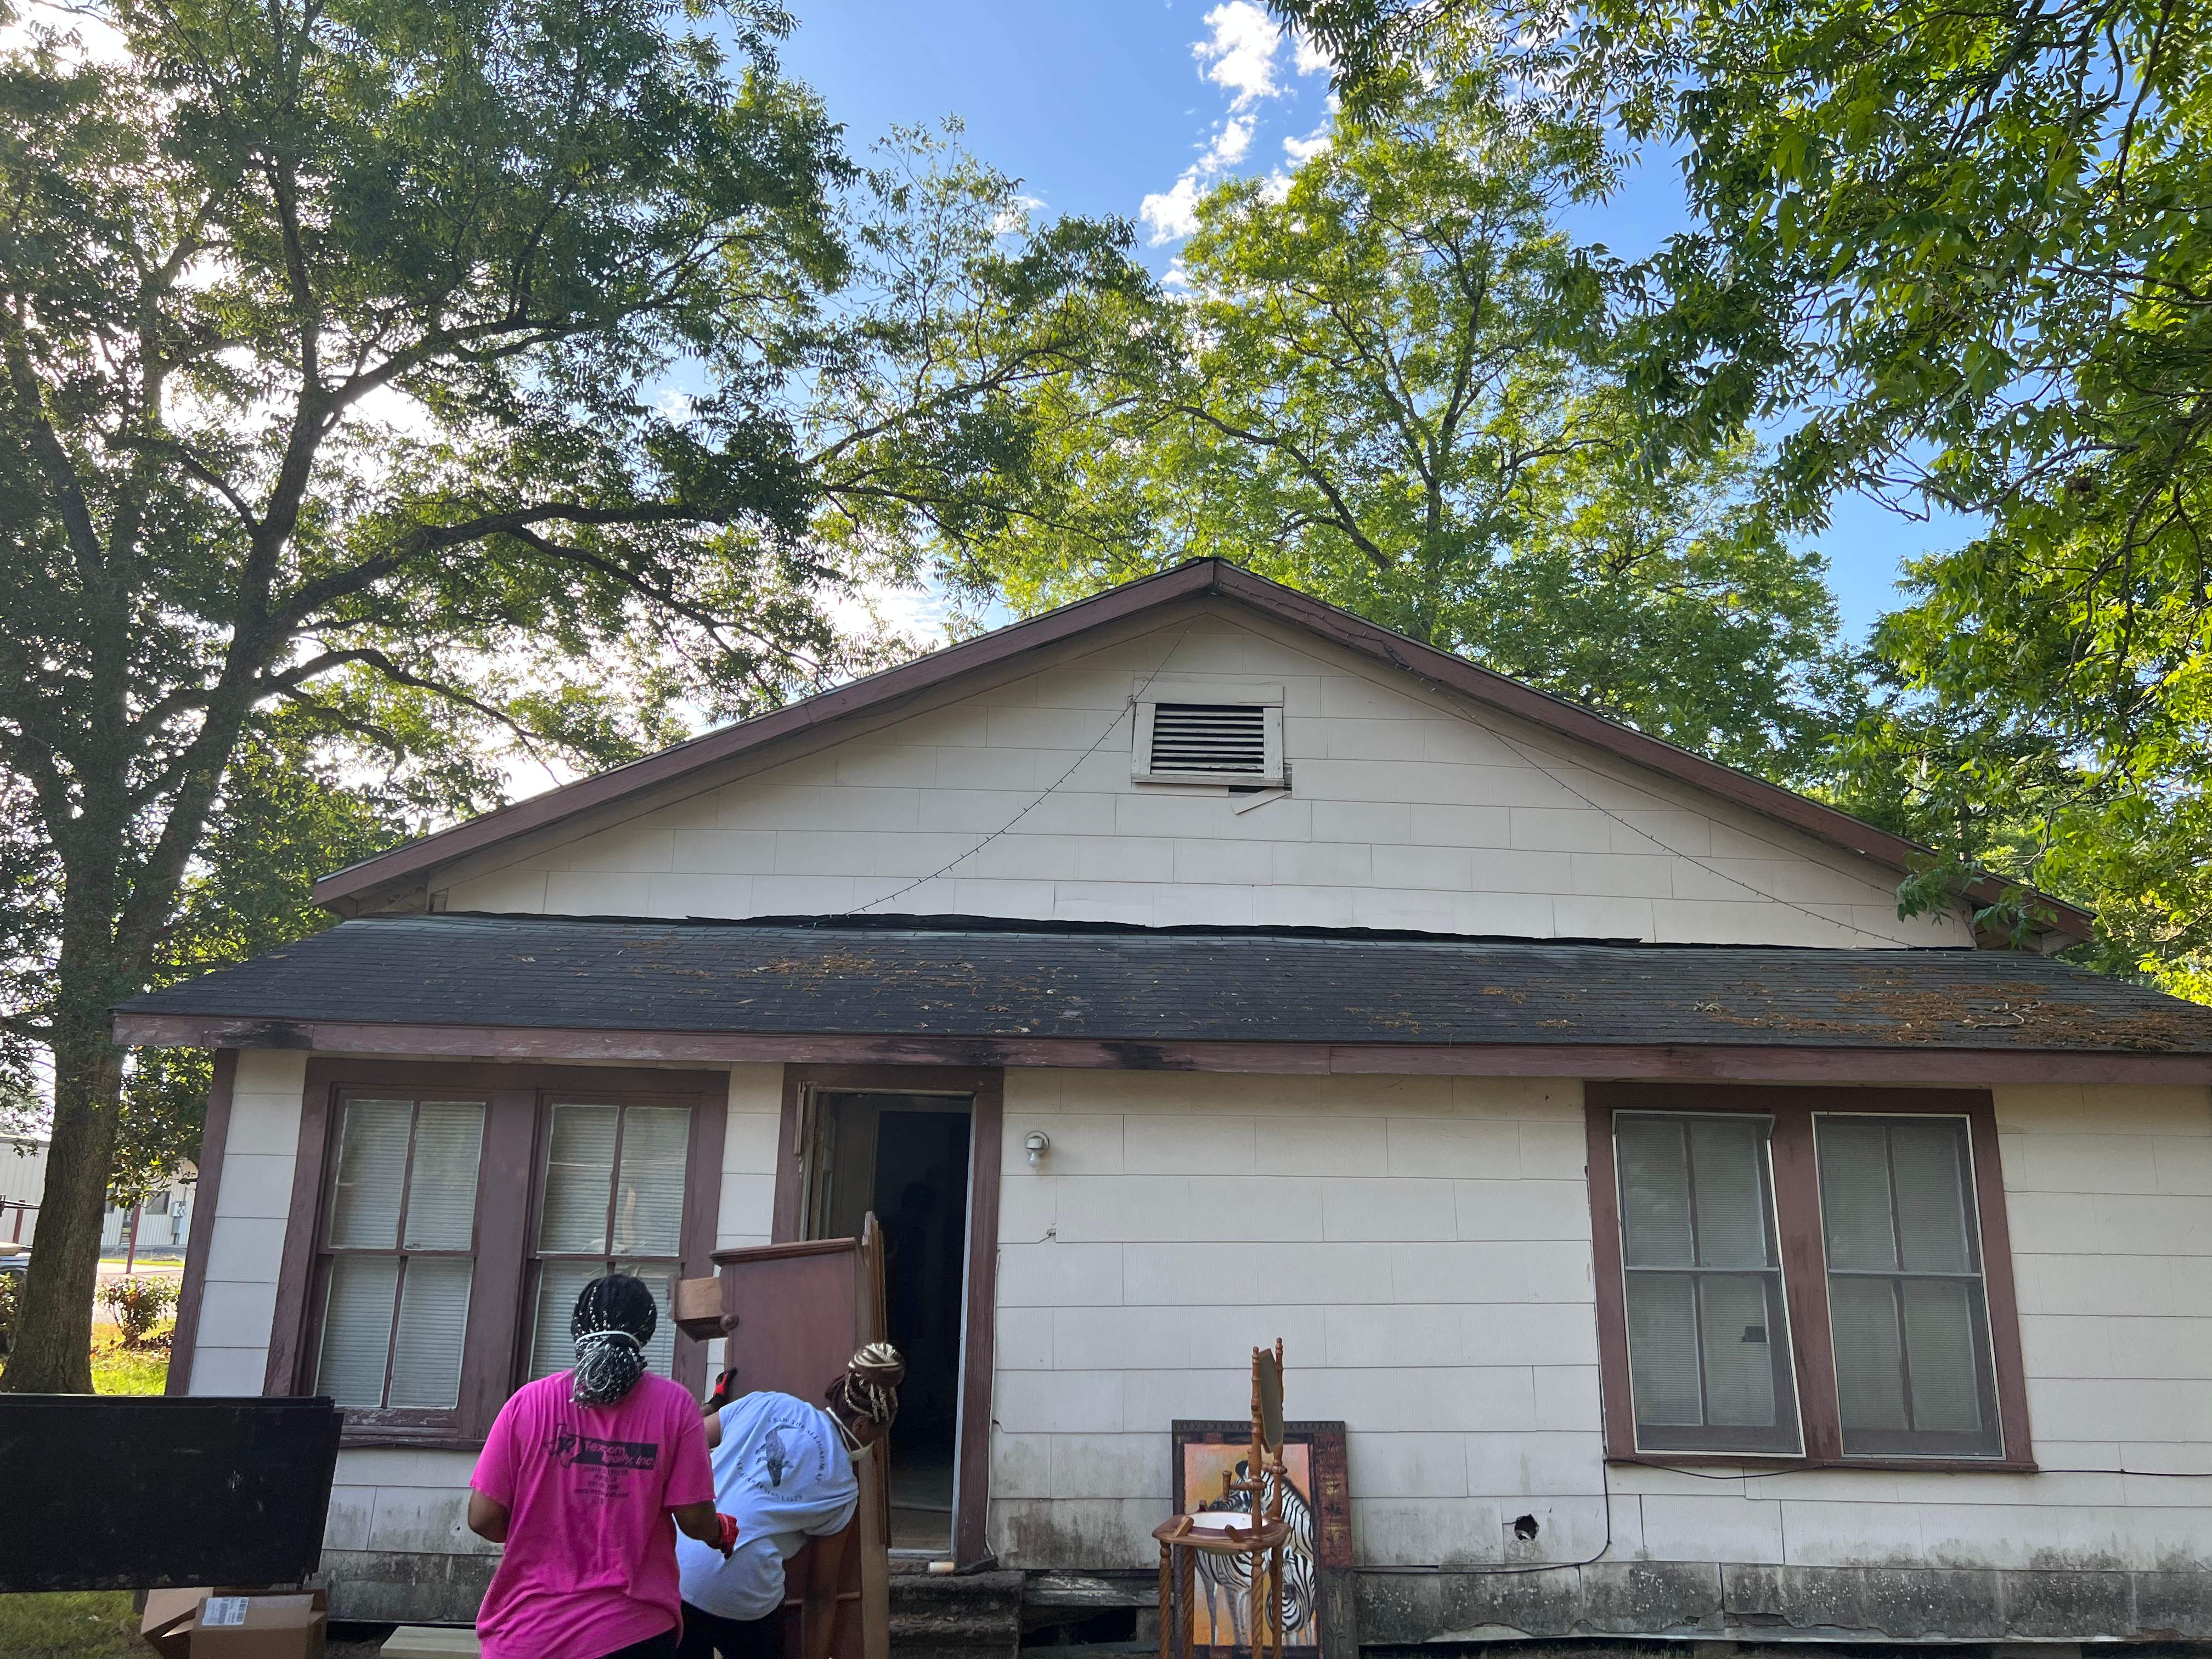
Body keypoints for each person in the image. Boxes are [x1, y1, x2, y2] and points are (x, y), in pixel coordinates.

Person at [467, 1276, 741, 1659]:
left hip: (528, 1634)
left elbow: (483, 1517)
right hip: (633, 1634)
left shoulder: (527, 1404)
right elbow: (694, 1520)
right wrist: (717, 1533)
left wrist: (542, 1535)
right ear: (645, 1333)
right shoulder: (676, 1408)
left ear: (578, 1328)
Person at [672, 1342, 905, 1659]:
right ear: (861, 1426)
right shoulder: (842, 1488)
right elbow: (821, 1594)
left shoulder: (768, 1403)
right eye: (876, 1438)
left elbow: (687, 1440)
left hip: (675, 1568)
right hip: (743, 1599)